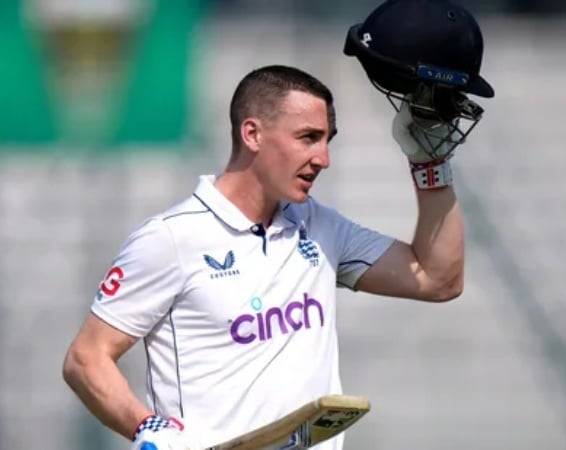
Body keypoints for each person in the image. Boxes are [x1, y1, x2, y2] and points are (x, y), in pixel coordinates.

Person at [63, 2, 493, 449]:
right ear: (252, 134)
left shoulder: (322, 228)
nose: (323, 158)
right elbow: (86, 358)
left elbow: (438, 279)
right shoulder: (170, 239)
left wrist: (431, 165)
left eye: (327, 141)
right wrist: (147, 429)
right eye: (308, 138)